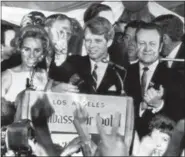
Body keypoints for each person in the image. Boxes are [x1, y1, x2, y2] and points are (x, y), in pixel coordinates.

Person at [124, 22, 184, 139]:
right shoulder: (123, 73)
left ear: (161, 46)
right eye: (142, 43)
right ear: (136, 44)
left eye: (152, 44)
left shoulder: (177, 78)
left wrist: (159, 105)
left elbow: (180, 119)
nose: (147, 49)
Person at [1, 25, 49, 103]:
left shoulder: (43, 74)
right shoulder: (8, 76)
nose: (32, 55)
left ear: (42, 52)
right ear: (19, 48)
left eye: (37, 50)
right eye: (27, 49)